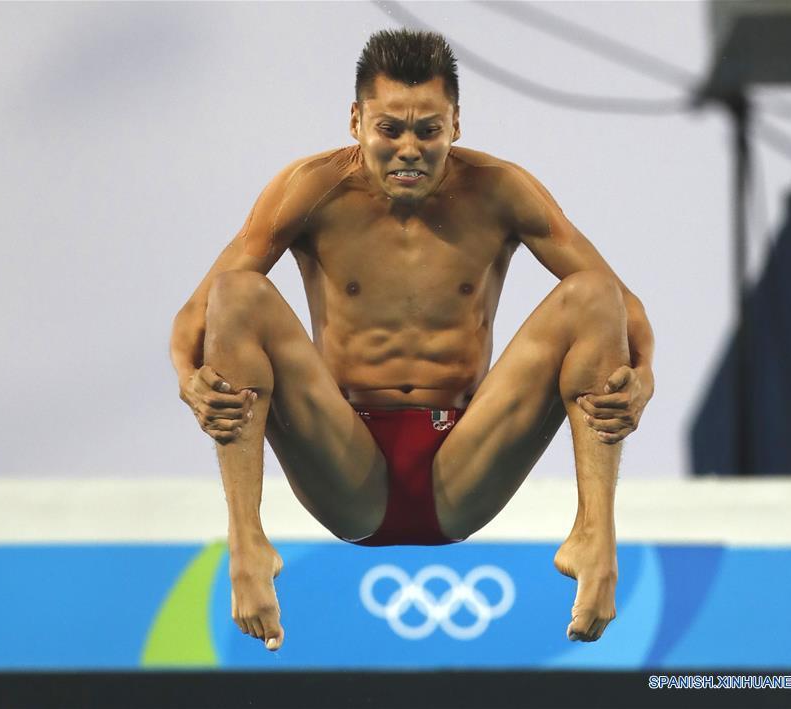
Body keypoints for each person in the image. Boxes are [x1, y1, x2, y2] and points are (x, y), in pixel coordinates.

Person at [169, 28, 655, 653]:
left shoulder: (500, 190)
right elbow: (197, 315)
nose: (409, 149)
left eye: (428, 131)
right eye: (389, 129)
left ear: (456, 124)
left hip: (466, 462)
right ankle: (247, 546)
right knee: (237, 294)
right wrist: (189, 382)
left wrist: (643, 380)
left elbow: (624, 309)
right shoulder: (311, 190)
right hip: (343, 463)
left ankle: (596, 536)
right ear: (356, 121)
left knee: (592, 295)